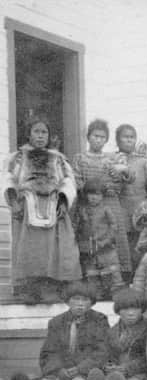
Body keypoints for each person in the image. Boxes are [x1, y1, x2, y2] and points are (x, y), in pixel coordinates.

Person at [5, 116, 80, 303]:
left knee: (55, 249)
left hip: (54, 208)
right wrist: (14, 201)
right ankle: (29, 289)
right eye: (36, 132)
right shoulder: (19, 157)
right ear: (29, 134)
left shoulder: (58, 159)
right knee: (29, 249)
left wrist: (63, 199)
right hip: (27, 209)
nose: (40, 136)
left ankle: (51, 287)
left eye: (44, 132)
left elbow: (68, 180)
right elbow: (8, 179)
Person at [72, 119, 133, 278]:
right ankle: (92, 279)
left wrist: (121, 171)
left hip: (111, 203)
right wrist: (94, 188)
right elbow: (77, 182)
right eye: (95, 136)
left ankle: (118, 278)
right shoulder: (80, 158)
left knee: (114, 237)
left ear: (106, 140)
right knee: (92, 237)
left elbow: (126, 178)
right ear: (88, 137)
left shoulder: (113, 159)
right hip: (89, 203)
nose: (98, 140)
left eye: (102, 137)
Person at [39, 282, 108, 380]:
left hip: (85, 372)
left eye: (85, 300)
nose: (80, 304)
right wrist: (59, 370)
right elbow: (49, 352)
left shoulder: (99, 320)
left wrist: (79, 369)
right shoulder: (56, 322)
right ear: (67, 301)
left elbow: (102, 351)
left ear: (91, 303)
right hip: (60, 373)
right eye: (76, 299)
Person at [74, 180, 125, 300]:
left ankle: (115, 292)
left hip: (105, 246)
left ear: (102, 196)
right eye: (90, 194)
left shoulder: (106, 209)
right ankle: (96, 293)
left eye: (97, 194)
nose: (93, 198)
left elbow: (114, 226)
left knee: (111, 270)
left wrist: (106, 240)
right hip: (89, 247)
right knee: (92, 271)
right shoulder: (83, 210)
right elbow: (78, 227)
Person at [115, 123, 147, 266]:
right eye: (125, 137)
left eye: (132, 137)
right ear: (117, 140)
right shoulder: (113, 160)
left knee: (142, 240)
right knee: (125, 241)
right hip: (121, 207)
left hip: (141, 206)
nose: (129, 140)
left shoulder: (143, 161)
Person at [104, 288, 147, 380]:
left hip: (140, 374)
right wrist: (108, 366)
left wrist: (126, 368)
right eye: (126, 309)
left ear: (142, 309)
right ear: (118, 311)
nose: (131, 313)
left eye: (135, 308)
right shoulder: (112, 332)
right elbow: (108, 355)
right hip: (115, 373)